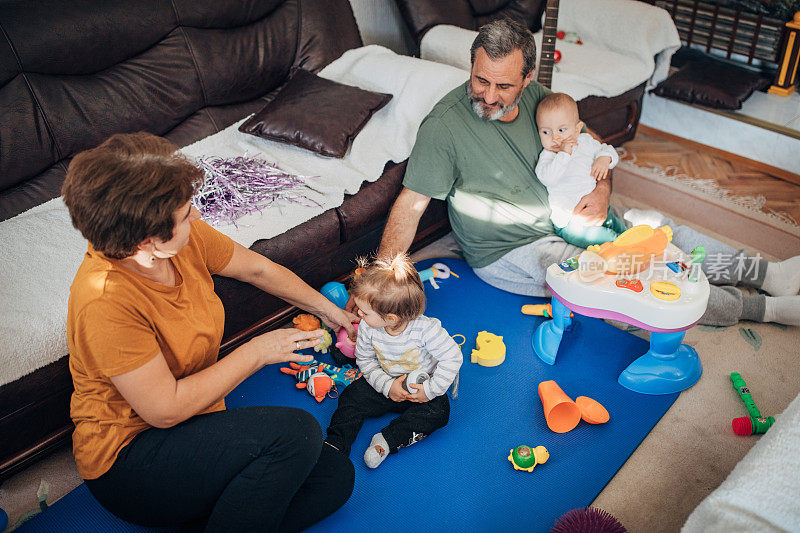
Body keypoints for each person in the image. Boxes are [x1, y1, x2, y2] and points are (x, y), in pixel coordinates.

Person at [369, 17, 800, 328]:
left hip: (571, 211)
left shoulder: (539, 95)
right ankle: (762, 311)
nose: (489, 96)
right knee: (636, 274)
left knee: (657, 231)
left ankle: (766, 275)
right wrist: (380, 280)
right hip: (514, 246)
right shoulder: (444, 126)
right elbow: (411, 203)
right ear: (472, 66)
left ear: (528, 77)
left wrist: (604, 190)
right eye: (481, 80)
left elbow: (586, 136)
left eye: (504, 86)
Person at [62, 132, 358, 532]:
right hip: (132, 460)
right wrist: (257, 352)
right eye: (187, 215)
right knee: (296, 433)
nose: (197, 217)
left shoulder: (181, 243)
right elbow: (164, 410)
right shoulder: (104, 302)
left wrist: (330, 311)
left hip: (194, 425)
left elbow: (256, 268)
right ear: (148, 242)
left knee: (335, 478)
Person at [325, 255, 462, 469]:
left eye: (364, 311)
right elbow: (365, 360)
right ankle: (336, 444)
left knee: (440, 412)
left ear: (391, 318)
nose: (358, 314)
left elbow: (452, 357)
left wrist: (430, 390)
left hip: (419, 390)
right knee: (351, 397)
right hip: (386, 382)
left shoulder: (426, 330)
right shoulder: (369, 327)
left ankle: (386, 442)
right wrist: (387, 386)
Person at [535, 92, 627, 248]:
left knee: (620, 228)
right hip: (571, 222)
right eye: (546, 132)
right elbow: (547, 178)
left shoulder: (585, 141)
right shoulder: (548, 157)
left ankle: (633, 241)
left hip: (598, 209)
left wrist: (604, 158)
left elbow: (608, 150)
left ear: (577, 130)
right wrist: (564, 154)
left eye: (562, 130)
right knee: (607, 240)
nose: (555, 138)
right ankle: (623, 247)